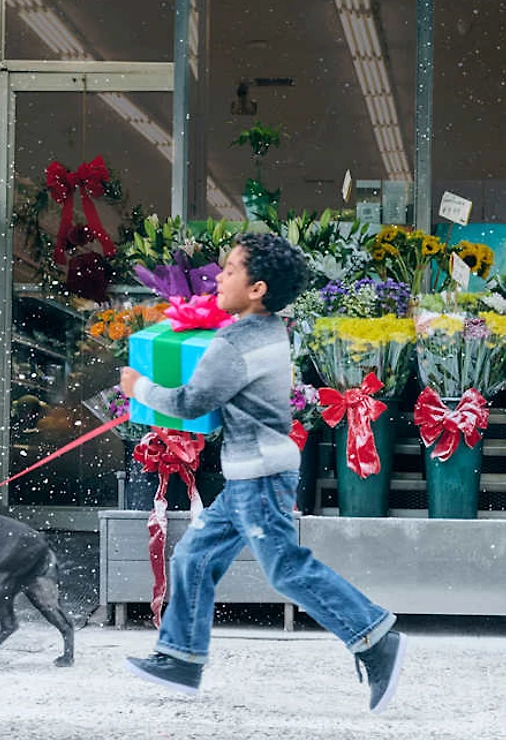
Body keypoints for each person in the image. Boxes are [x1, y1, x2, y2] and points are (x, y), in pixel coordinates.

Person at [120, 232, 406, 713]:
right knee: (193, 556)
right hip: (251, 475)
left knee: (285, 568)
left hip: (259, 477)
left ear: (257, 289)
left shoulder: (234, 341)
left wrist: (139, 386)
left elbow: (192, 402)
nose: (219, 277)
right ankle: (182, 659)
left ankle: (374, 637)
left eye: (230, 269)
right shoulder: (271, 329)